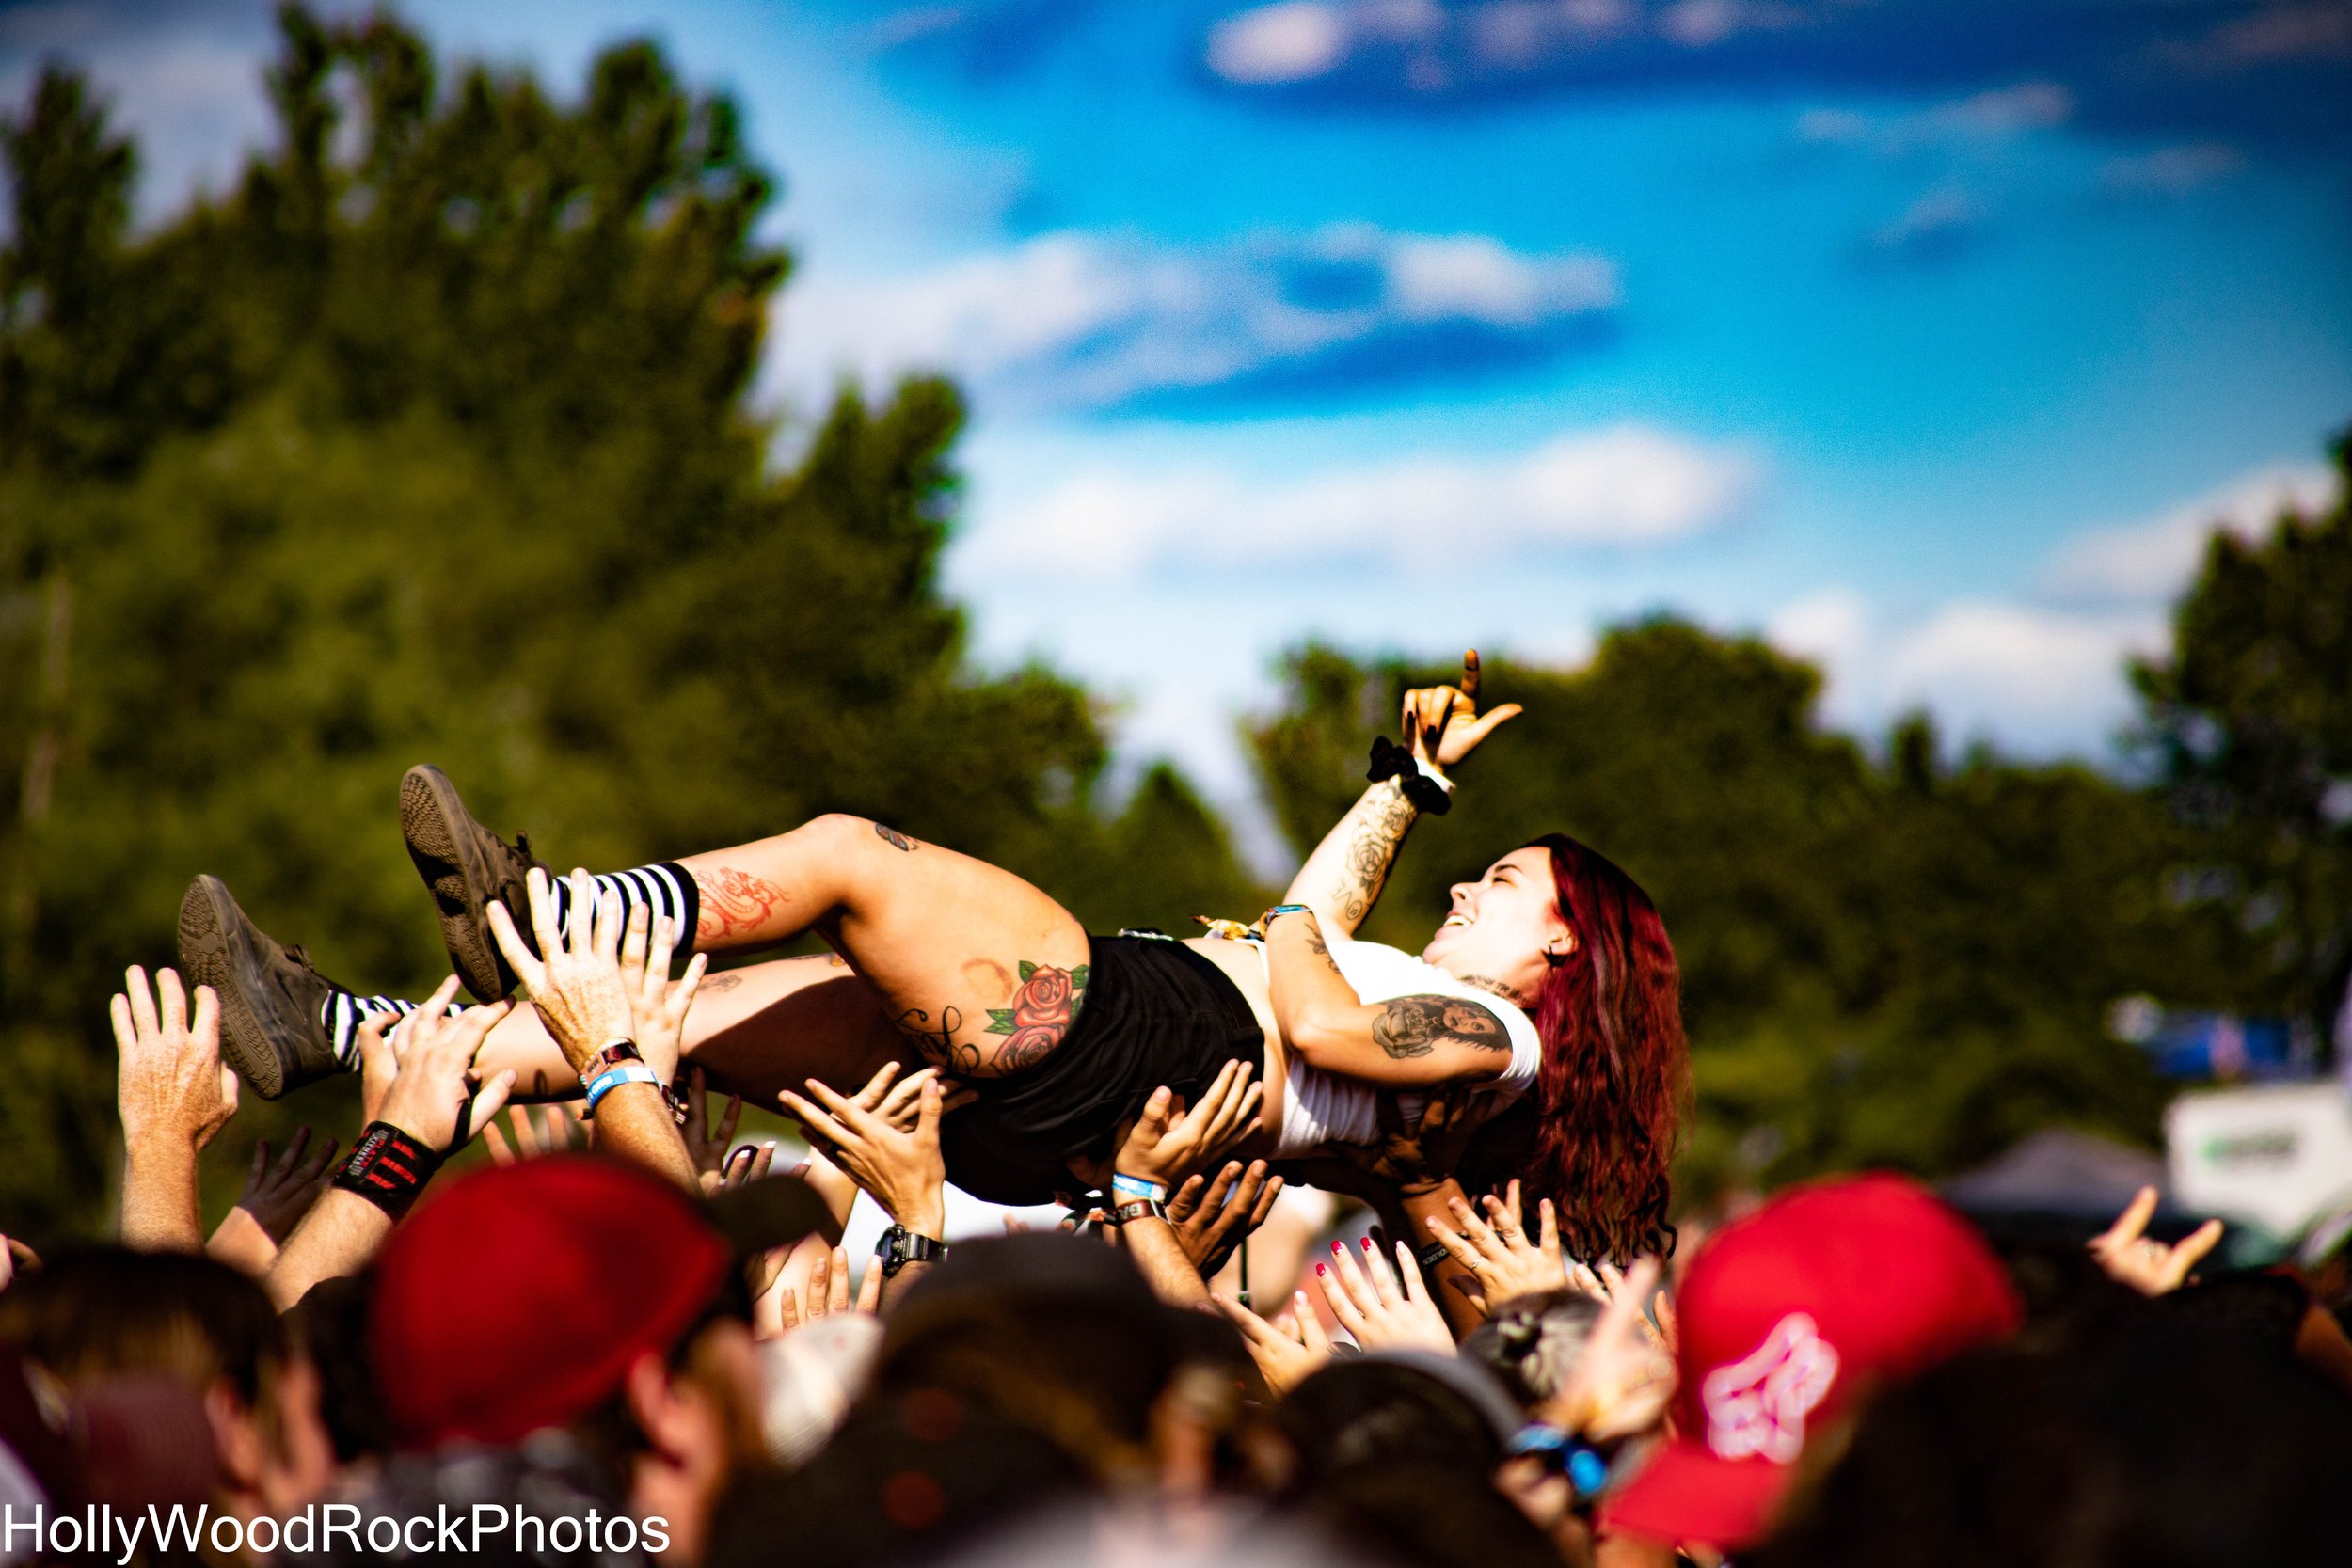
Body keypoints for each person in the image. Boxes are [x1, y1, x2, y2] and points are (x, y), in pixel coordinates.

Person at [182, 654, 1689, 1264]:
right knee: (675, 1025)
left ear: (1568, 944)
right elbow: (1324, 941)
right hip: (1071, 1123)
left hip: (1136, 1034)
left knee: (848, 854)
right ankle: (339, 1031)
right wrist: (1400, 799)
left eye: (1500, 883)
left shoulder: (1503, 1035)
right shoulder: (1471, 1052)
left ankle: (556, 907)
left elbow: (1328, 1010)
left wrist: (1294, 934)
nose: (1467, 897)